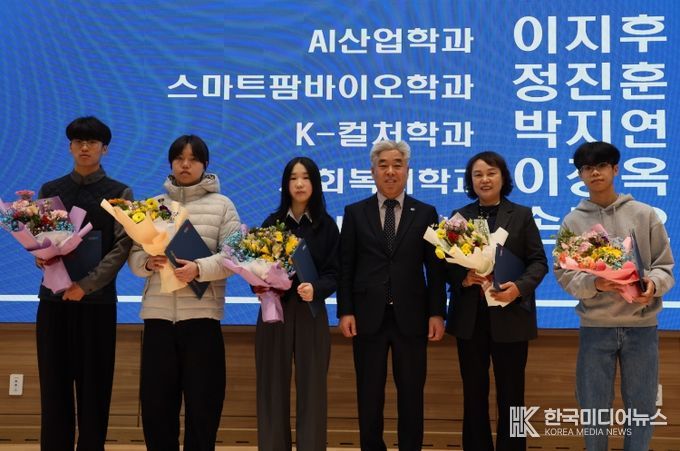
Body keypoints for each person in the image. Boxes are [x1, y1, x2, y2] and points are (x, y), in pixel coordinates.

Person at [554, 141, 674, 451]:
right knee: (593, 408)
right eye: (587, 168)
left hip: (641, 327)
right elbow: (564, 274)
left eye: (601, 166)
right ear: (580, 175)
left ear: (615, 169)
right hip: (596, 327)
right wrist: (596, 284)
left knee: (641, 408)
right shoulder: (572, 221)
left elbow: (665, 266)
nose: (594, 173)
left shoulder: (644, 214)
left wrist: (652, 285)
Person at [128, 134, 240, 451]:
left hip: (202, 320)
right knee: (156, 407)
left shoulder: (223, 206)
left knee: (203, 407)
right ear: (171, 163)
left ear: (205, 164)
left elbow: (233, 257)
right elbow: (134, 257)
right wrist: (147, 262)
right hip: (158, 319)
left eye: (193, 159)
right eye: (179, 158)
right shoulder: (153, 206)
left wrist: (199, 268)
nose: (185, 164)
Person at [337, 140, 447, 451]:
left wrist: (437, 313)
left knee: (411, 393)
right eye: (383, 165)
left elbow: (435, 269)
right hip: (367, 317)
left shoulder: (425, 212)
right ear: (372, 171)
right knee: (369, 393)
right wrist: (345, 310)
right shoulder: (355, 212)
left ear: (407, 171)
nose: (390, 171)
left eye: (397, 165)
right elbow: (346, 266)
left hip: (411, 317)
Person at [35, 116, 133, 450]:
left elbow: (121, 248)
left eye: (92, 142)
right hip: (53, 301)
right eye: (78, 141)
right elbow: (41, 240)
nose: (85, 147)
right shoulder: (51, 190)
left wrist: (86, 285)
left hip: (97, 304)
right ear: (70, 147)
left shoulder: (119, 193)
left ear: (105, 149)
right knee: (54, 387)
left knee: (95, 390)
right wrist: (40, 257)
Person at [445, 151, 547, 451]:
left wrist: (519, 288)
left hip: (511, 315)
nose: (485, 179)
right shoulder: (459, 217)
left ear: (503, 178)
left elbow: (538, 262)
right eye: (478, 174)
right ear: (470, 181)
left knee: (512, 396)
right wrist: (463, 279)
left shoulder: (522, 215)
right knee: (473, 394)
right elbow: (445, 264)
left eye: (491, 173)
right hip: (471, 318)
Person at [255, 156, 340, 451]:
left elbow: (336, 272)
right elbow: (256, 265)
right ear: (285, 184)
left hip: (310, 312)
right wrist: (259, 284)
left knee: (313, 388)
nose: (300, 184)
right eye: (293, 178)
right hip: (273, 312)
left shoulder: (327, 226)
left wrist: (316, 289)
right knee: (271, 386)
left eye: (306, 178)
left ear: (315, 184)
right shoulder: (272, 223)